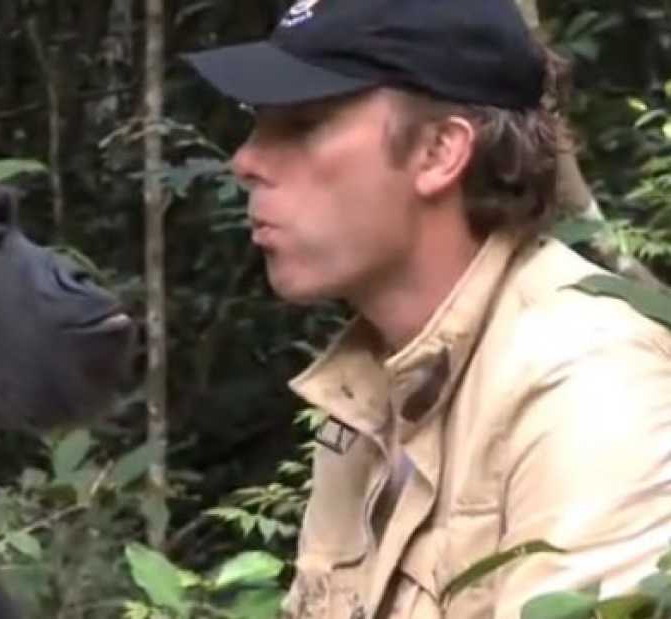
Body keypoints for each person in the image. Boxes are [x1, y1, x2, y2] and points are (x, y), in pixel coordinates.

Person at [182, 1, 671, 618]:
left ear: (440, 151)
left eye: (302, 124)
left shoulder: (590, 386)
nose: (246, 160)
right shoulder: (372, 392)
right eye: (258, 122)